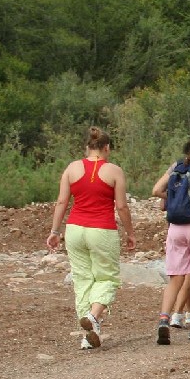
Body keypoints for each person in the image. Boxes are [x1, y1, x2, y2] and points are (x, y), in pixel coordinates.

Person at [46, 127, 136, 350]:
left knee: (82, 278)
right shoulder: (114, 171)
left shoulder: (72, 168)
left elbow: (61, 202)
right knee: (107, 278)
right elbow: (122, 206)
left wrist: (55, 231)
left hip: (75, 229)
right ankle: (94, 317)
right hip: (102, 230)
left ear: (87, 147)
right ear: (107, 148)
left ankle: (88, 336)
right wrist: (130, 232)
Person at [150, 128, 190, 344]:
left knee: (175, 278)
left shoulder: (177, 165)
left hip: (175, 227)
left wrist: (173, 199)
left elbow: (155, 189)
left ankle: (163, 319)